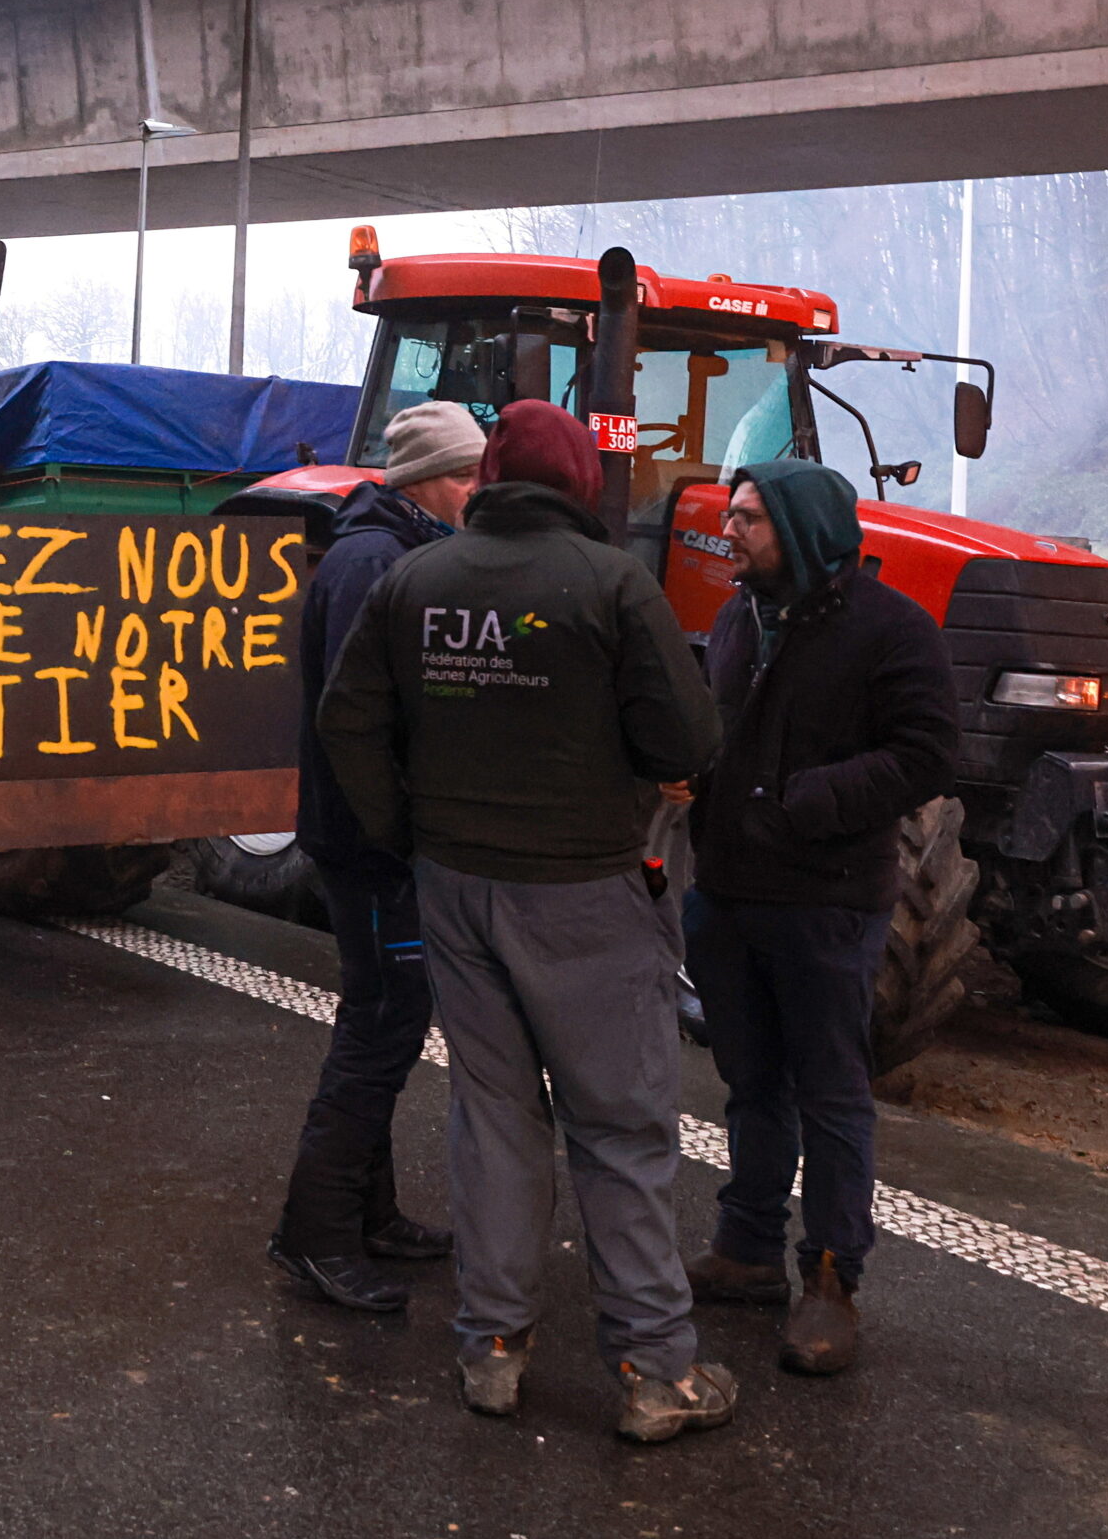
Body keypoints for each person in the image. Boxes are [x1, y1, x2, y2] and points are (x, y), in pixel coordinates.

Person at [317, 401, 733, 1444]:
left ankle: (492, 1350)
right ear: (579, 482)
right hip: (585, 893)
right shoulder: (610, 584)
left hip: (456, 889)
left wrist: (406, 826)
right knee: (619, 1129)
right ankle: (651, 1372)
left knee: (492, 1121)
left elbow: (346, 717)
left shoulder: (417, 580)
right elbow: (687, 735)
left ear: (492, 474)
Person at [681, 459, 957, 1375]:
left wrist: (807, 799)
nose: (730, 531)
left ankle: (832, 1281)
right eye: (732, 514)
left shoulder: (893, 632)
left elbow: (924, 755)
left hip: (827, 901)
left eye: (750, 519)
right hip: (727, 893)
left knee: (832, 1094)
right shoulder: (735, 618)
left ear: (800, 528)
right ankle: (748, 1246)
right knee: (751, 1082)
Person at [267, 400, 487, 1312]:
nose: (480, 490)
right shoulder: (371, 561)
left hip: (376, 838)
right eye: (468, 474)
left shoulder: (393, 550)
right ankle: (312, 1235)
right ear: (422, 479)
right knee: (379, 1030)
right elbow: (367, 715)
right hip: (368, 846)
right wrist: (400, 827)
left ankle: (371, 1211)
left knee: (386, 1023)